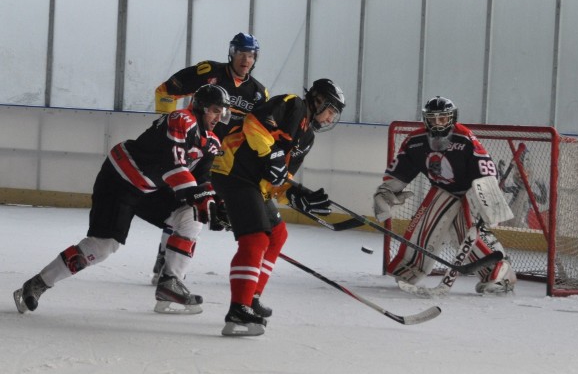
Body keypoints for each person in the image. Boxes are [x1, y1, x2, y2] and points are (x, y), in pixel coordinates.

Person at [13, 84, 232, 315]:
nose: (219, 117)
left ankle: (170, 282)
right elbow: (173, 165)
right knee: (102, 247)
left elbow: (203, 179)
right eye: (216, 110)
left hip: (151, 188)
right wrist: (201, 197)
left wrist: (217, 204)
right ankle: (37, 283)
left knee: (192, 215)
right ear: (200, 107)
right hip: (119, 180)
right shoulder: (181, 119)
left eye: (223, 112)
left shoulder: (212, 142)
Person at [210, 78, 346, 336]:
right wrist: (270, 154)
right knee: (255, 239)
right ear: (318, 101)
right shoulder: (292, 104)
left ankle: (252, 297)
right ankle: (238, 309)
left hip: (254, 184)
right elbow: (255, 123)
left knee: (277, 235)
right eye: (330, 111)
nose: (329, 119)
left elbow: (280, 179)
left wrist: (295, 194)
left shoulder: (307, 139)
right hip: (234, 172)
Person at [151, 32, 269, 285]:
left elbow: (258, 132)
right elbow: (165, 91)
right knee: (182, 206)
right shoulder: (209, 72)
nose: (246, 59)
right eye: (241, 53)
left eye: (251, 55)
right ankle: (164, 261)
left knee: (195, 211)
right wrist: (165, 125)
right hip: (190, 151)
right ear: (232, 53)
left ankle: (169, 262)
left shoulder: (259, 93)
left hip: (220, 160)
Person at [373, 96, 517, 295]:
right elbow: (401, 169)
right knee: (422, 228)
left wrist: (489, 204)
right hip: (442, 191)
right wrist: (386, 191)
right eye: (433, 119)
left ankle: (500, 273)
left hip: (470, 193)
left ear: (452, 118)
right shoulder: (415, 141)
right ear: (426, 119)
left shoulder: (465, 138)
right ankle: (411, 268)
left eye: (443, 119)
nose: (438, 124)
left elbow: (486, 171)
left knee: (464, 236)